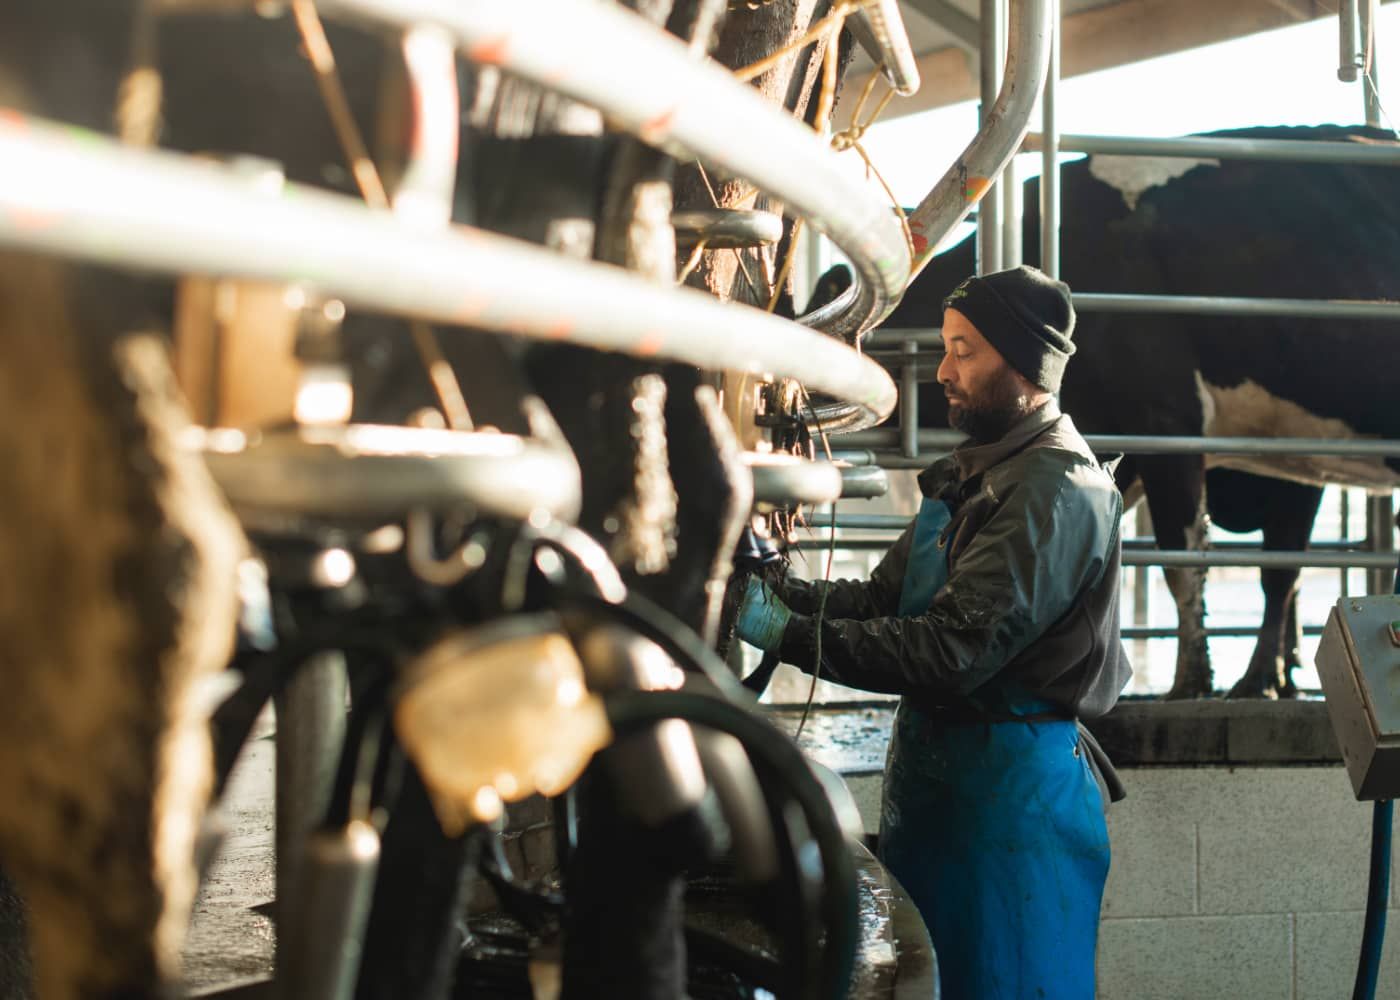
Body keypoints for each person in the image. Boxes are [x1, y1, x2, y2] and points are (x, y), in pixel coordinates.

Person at [736, 265, 1132, 1000]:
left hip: (1009, 802)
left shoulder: (1053, 492)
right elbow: (883, 599)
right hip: (946, 785)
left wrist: (783, 632)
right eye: (947, 347)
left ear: (1024, 365)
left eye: (965, 351)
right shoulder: (980, 473)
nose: (943, 370)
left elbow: (951, 650)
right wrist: (770, 591)